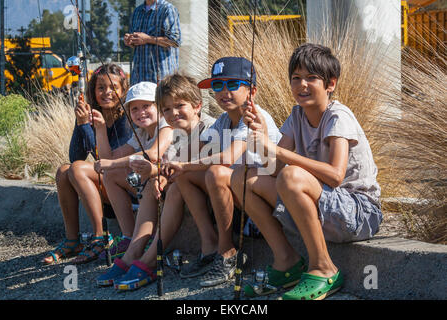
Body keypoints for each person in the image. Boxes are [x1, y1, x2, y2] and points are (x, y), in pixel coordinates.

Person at [231, 43, 383, 300]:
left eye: (311, 78)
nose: (302, 85)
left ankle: (324, 268)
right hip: (325, 207)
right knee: (242, 177)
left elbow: (335, 175)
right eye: (296, 78)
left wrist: (278, 152)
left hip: (359, 212)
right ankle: (287, 262)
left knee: (293, 176)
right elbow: (275, 169)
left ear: (330, 84)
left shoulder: (339, 116)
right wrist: (263, 135)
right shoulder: (296, 116)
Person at [162, 57, 282, 287]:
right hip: (239, 194)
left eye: (232, 85)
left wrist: (184, 164)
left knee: (215, 172)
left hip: (264, 198)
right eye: (217, 86)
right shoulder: (223, 120)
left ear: (251, 91)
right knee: (184, 175)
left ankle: (228, 253)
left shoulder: (254, 116)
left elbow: (228, 158)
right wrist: (162, 168)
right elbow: (191, 154)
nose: (223, 92)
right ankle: (209, 248)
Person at [96, 74, 215, 289]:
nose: (172, 113)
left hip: (209, 187)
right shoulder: (177, 129)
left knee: (176, 184)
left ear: (197, 106)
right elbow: (172, 163)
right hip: (187, 183)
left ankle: (150, 259)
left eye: (179, 106)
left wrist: (158, 171)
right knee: (155, 183)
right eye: (167, 109)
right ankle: (134, 251)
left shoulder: (209, 127)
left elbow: (190, 164)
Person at [43, 63, 132, 265]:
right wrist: (81, 124)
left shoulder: (127, 117)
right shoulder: (91, 114)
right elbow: (76, 155)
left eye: (113, 87)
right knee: (64, 171)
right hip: (107, 183)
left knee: (76, 169)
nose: (107, 92)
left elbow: (108, 160)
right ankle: (72, 240)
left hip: (124, 186)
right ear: (93, 91)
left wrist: (87, 126)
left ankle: (100, 238)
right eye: (101, 88)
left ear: (123, 90)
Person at [91, 81, 173, 260]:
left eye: (146, 106)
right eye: (134, 109)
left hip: (169, 183)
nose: (140, 112)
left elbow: (152, 154)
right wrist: (100, 129)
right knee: (111, 175)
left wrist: (110, 165)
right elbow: (109, 158)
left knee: (113, 170)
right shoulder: (142, 133)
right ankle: (129, 236)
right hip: (151, 183)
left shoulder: (166, 126)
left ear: (160, 106)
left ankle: (144, 241)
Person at [125, 0, 181, 85]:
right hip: (139, 79)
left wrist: (147, 39)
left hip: (162, 80)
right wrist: (130, 40)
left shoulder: (167, 9)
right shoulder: (137, 11)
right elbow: (137, 41)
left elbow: (175, 41)